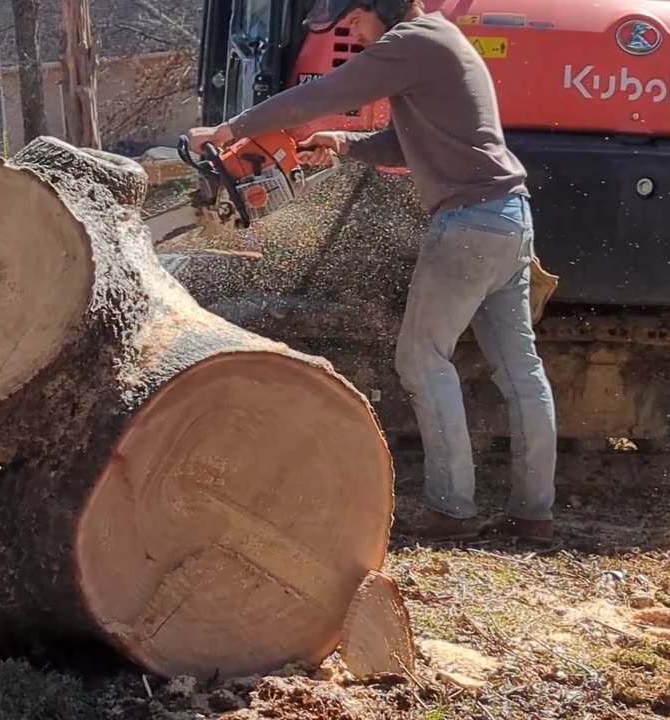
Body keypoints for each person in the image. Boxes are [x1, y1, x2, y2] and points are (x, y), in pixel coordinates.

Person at [186, 0, 557, 543]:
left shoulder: (413, 41)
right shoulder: (440, 41)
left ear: (381, 7)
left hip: (468, 222)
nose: (355, 35)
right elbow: (408, 143)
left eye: (356, 21)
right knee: (519, 369)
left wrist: (230, 129)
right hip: (508, 217)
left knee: (423, 358)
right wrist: (344, 145)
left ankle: (452, 510)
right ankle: (534, 515)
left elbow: (324, 94)